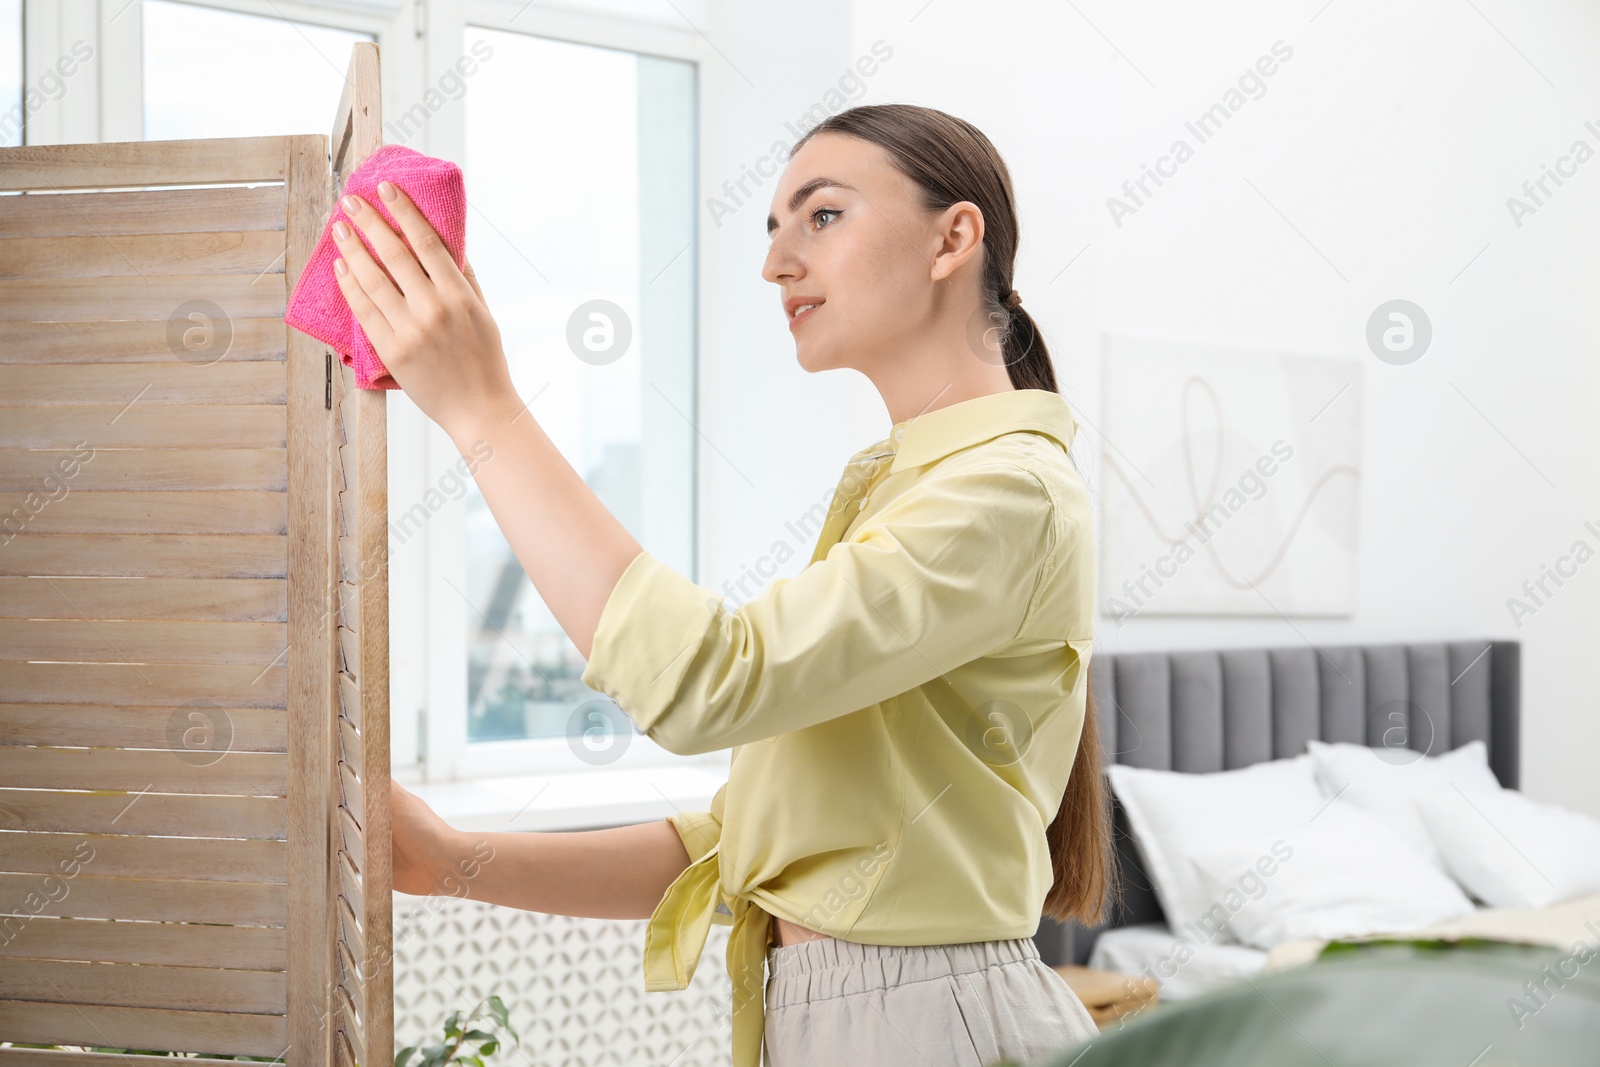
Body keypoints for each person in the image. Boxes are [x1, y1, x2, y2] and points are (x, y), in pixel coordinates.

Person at [328, 102, 1114, 1067]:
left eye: (821, 216)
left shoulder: (1008, 492)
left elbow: (709, 681)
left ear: (954, 239)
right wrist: (450, 862)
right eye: (773, 228)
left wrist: (482, 406)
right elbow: (738, 845)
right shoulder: (906, 488)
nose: (778, 262)